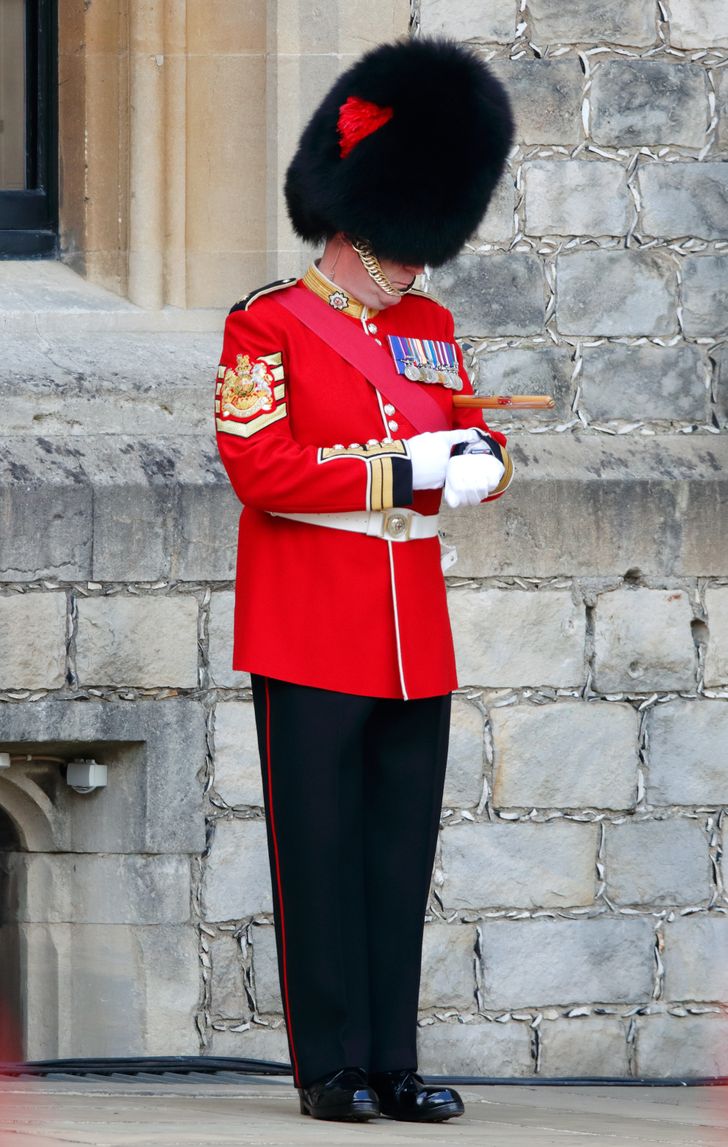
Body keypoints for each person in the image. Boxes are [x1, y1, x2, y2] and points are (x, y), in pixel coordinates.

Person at [215, 37, 514, 1123]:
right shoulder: (268, 324)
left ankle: (392, 1058)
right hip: (308, 623)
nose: (418, 270)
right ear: (351, 228)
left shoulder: (427, 328)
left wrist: (478, 463)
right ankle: (329, 1066)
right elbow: (262, 468)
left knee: (397, 855)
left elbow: (471, 431)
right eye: (402, 248)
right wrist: (405, 466)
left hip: (408, 629)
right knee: (322, 855)